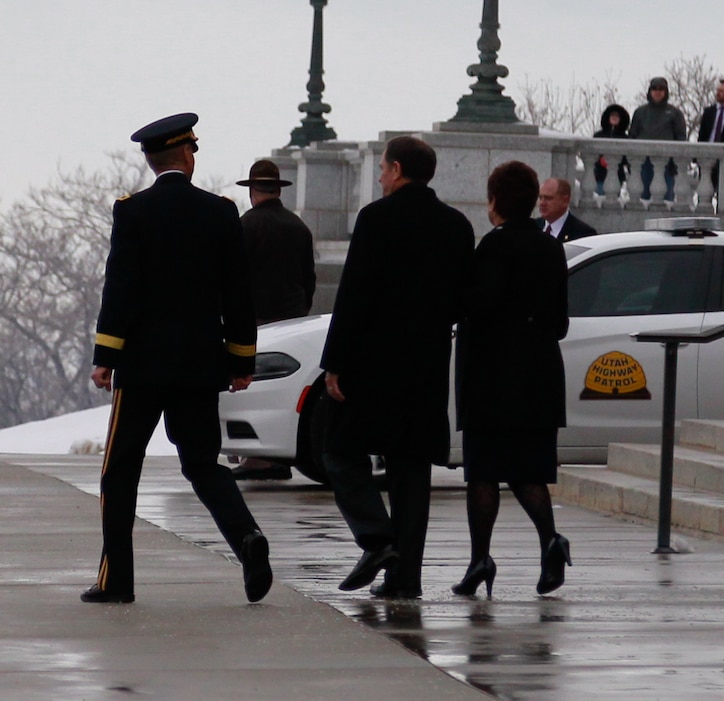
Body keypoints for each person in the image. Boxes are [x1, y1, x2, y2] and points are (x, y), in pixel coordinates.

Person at [82, 113, 272, 605]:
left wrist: (106, 355)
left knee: (120, 471)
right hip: (197, 366)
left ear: (151, 161)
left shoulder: (133, 211)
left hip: (142, 368)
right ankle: (246, 538)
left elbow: (120, 287)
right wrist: (241, 360)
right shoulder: (220, 211)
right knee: (204, 464)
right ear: (187, 155)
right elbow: (238, 294)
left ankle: (116, 581)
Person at [320, 136, 474, 599]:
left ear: (399, 170)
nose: (381, 176)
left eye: (384, 168)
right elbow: (460, 299)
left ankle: (376, 538)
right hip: (426, 362)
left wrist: (335, 363)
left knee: (339, 449)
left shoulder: (376, 219)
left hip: (373, 360)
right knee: (411, 470)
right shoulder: (456, 225)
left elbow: (353, 295)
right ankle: (405, 579)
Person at [453, 161, 571, 598]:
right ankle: (550, 541)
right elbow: (559, 321)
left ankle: (480, 559)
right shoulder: (550, 247)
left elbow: (478, 303)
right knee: (527, 470)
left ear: (495, 202)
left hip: (492, 375)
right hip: (539, 375)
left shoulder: (493, 247)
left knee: (482, 471)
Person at [231, 159, 317, 482]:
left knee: (252, 389)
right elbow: (309, 281)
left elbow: (234, 280)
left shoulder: (244, 226)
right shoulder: (300, 228)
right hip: (294, 320)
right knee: (285, 390)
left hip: (255, 322)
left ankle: (258, 456)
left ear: (252, 191)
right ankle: (278, 454)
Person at [628, 77, 687, 202]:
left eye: (661, 89)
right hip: (643, 162)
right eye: (654, 88)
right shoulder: (640, 112)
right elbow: (632, 136)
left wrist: (676, 162)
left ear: (666, 92)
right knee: (641, 199)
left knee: (666, 199)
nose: (658, 92)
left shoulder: (674, 113)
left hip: (667, 163)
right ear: (650, 91)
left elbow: (681, 137)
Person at [592, 104, 631, 196]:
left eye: (617, 116)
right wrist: (600, 160)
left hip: (617, 176)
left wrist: (617, 160)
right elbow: (592, 154)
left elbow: (628, 158)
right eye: (612, 115)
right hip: (600, 176)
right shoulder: (598, 135)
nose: (614, 118)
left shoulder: (626, 138)